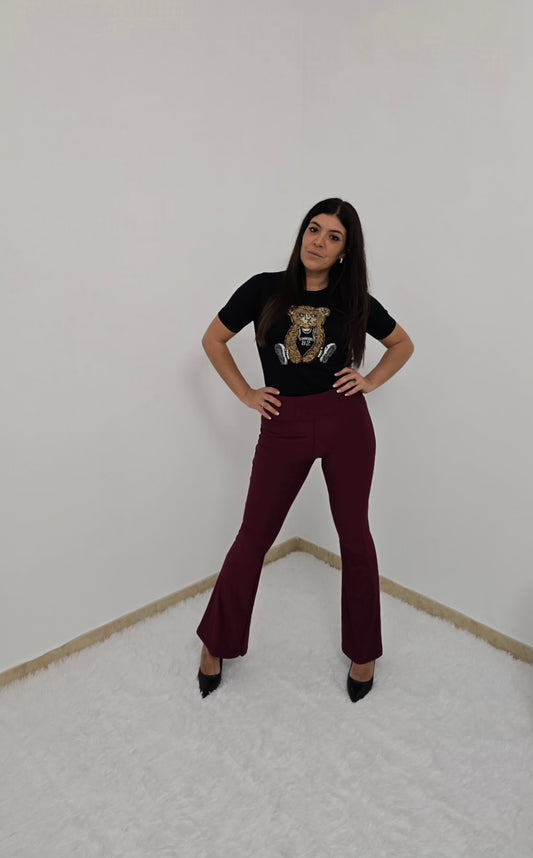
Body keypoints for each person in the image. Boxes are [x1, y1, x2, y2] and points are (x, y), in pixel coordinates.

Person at [196, 198, 414, 701]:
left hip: (346, 424)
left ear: (345, 251)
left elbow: (402, 343)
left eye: (333, 237)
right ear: (302, 233)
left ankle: (364, 651)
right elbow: (213, 340)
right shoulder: (263, 289)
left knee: (355, 537)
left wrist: (370, 380)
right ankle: (217, 642)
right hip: (282, 426)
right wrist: (247, 393)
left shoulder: (353, 299)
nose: (319, 241)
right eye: (314, 229)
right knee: (253, 537)